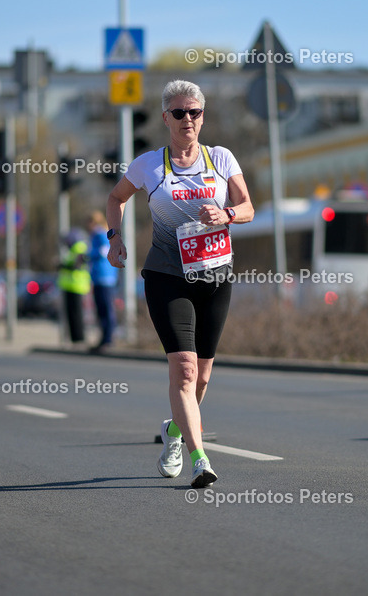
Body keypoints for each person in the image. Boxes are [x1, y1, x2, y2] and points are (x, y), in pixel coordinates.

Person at [106, 80, 253, 488]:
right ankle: (198, 458)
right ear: (165, 117)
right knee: (185, 371)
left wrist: (225, 215)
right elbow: (115, 199)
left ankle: (174, 431)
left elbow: (248, 209)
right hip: (167, 277)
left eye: (195, 112)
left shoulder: (221, 159)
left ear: (202, 116)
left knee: (203, 378)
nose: (187, 119)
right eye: (178, 112)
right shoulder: (148, 165)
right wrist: (114, 239)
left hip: (216, 277)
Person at [86, 211, 118, 352]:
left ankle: (107, 339)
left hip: (103, 277)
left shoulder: (99, 235)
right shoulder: (102, 234)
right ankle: (105, 338)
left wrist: (87, 256)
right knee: (104, 309)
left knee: (104, 309)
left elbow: (101, 252)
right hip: (105, 277)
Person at [58, 230, 90, 345]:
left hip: (77, 285)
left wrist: (64, 266)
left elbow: (77, 265)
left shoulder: (79, 248)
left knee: (77, 315)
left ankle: (79, 339)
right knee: (72, 315)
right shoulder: (72, 250)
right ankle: (74, 339)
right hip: (70, 286)